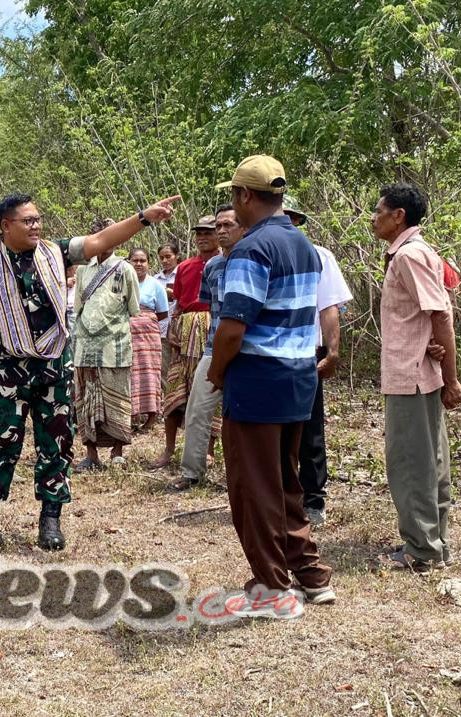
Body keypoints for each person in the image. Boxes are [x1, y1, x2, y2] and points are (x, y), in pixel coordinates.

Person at [0, 192, 180, 550]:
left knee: (56, 442)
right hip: (8, 368)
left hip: (54, 366)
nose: (37, 225)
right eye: (28, 221)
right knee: (0, 444)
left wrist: (144, 218)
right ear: (5, 226)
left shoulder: (55, 252)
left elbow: (102, 240)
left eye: (38, 219)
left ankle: (50, 519)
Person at [207, 155, 334, 619]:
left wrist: (217, 371)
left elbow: (233, 326)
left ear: (244, 196)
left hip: (258, 378)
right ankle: (311, 576)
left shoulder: (251, 249)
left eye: (233, 197)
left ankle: (272, 588)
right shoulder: (303, 243)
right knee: (284, 482)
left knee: (253, 488)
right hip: (298, 377)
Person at [372, 182, 461, 572]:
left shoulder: (409, 255)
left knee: (411, 463)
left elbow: (440, 314)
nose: (373, 218)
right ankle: (434, 543)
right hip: (418, 370)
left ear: (398, 216)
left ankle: (421, 550)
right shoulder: (415, 253)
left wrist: (452, 377)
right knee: (430, 460)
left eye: (379, 211)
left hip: (411, 375)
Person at [284, 196, 353, 527]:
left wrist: (332, 351)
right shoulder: (258, 251)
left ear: (297, 221)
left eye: (288, 218)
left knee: (309, 427)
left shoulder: (319, 256)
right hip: (270, 352)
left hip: (306, 351)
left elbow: (329, 307)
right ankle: (280, 495)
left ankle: (313, 499)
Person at [175, 204, 242, 491]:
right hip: (213, 350)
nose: (223, 231)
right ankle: (192, 472)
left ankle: (241, 477)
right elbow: (210, 309)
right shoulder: (213, 267)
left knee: (242, 416)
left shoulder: (252, 261)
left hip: (246, 351)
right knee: (197, 410)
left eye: (229, 225)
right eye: (219, 226)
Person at [72, 219, 139, 471]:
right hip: (85, 345)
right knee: (86, 397)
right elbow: (79, 306)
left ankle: (117, 452)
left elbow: (132, 308)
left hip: (115, 345)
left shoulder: (125, 269)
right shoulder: (82, 270)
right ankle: (91, 455)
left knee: (118, 397)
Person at [154, 218, 220, 467]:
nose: (202, 237)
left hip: (211, 329)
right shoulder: (185, 267)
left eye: (208, 233)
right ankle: (169, 449)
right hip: (185, 333)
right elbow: (180, 303)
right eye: (199, 233)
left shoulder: (224, 264)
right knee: (174, 388)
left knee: (208, 388)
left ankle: (208, 450)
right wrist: (173, 330)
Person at [128, 247, 169, 431]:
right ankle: (131, 415)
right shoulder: (123, 282)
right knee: (129, 372)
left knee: (150, 373)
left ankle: (152, 416)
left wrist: (143, 320)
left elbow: (162, 312)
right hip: (126, 334)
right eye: (135, 260)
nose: (138, 264)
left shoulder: (156, 285)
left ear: (148, 263)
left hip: (149, 337)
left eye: (142, 260)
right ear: (129, 262)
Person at [155, 243, 180, 384]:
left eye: (168, 256)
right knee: (163, 368)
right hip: (161, 330)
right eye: (162, 258)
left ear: (177, 256)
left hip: (180, 329)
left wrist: (175, 294)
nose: (165, 261)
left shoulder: (183, 273)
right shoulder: (155, 280)